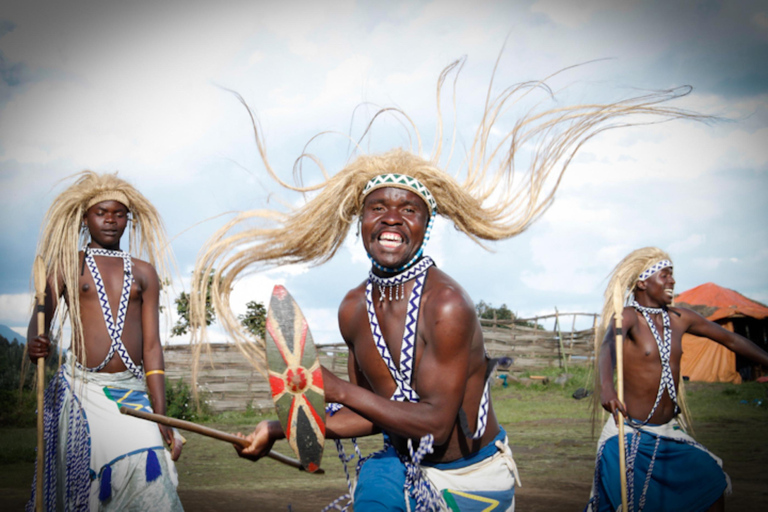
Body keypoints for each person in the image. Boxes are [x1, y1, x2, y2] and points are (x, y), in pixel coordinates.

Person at [189, 59, 704, 511]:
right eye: (378, 208)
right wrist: (283, 425)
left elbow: (434, 425)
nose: (392, 218)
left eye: (407, 209)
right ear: (359, 221)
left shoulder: (448, 305)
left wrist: (334, 387)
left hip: (470, 479)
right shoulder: (353, 309)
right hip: (398, 467)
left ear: (425, 224)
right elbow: (367, 416)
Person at [26, 171, 183, 511]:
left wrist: (162, 417)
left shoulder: (143, 271)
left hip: (130, 388)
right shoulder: (69, 264)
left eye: (119, 213)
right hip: (84, 390)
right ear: (85, 218)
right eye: (101, 213)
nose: (111, 220)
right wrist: (34, 344)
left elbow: (152, 347)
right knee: (89, 482)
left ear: (129, 219)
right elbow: (41, 316)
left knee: (152, 466)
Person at [587, 247, 768, 512]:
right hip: (629, 433)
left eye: (672, 275)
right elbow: (607, 348)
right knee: (622, 505)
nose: (672, 281)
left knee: (711, 481)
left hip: (669, 433)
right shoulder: (628, 317)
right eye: (665, 275)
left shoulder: (680, 318)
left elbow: (731, 339)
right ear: (642, 282)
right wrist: (606, 388)